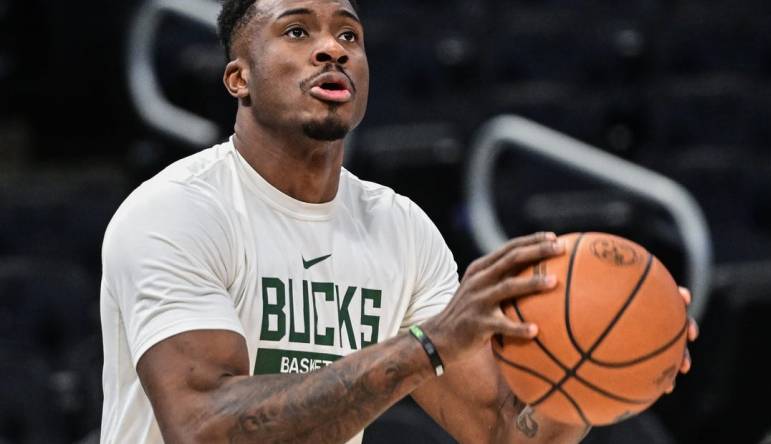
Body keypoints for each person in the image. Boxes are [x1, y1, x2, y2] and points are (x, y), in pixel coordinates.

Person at [99, 0, 697, 442]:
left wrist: (601, 361)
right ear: (239, 78)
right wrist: (430, 344)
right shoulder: (175, 210)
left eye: (349, 35)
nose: (332, 48)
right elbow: (205, 427)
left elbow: (499, 431)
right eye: (298, 30)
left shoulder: (399, 227)